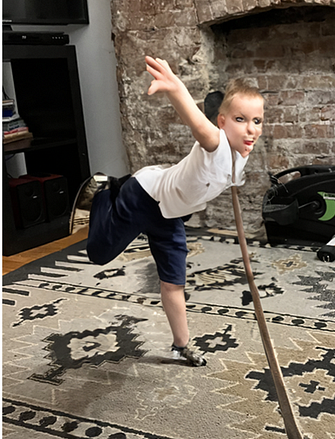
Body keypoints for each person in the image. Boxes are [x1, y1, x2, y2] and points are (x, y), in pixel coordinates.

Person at [70, 56, 265, 366]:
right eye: (241, 119)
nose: (251, 129)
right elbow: (199, 125)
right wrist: (176, 89)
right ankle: (103, 194)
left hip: (170, 213)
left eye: (257, 121)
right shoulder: (215, 143)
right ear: (222, 121)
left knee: (173, 281)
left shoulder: (241, 155)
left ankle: (182, 345)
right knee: (99, 254)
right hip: (142, 198)